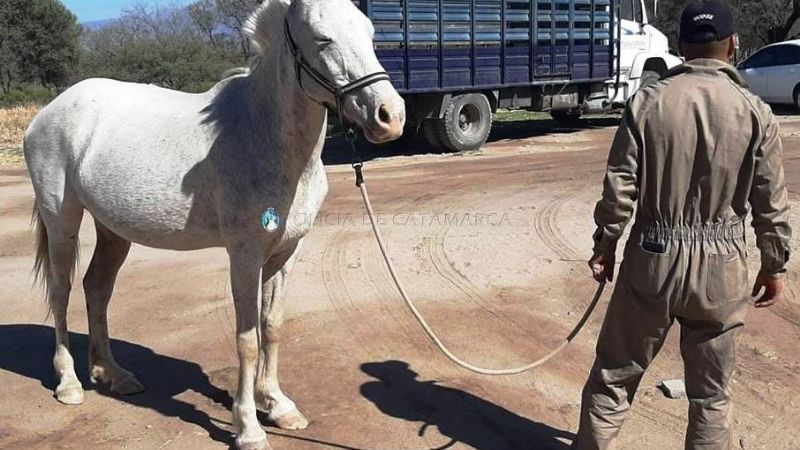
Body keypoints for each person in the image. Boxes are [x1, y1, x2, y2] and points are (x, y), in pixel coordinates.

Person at [573, 1, 792, 449]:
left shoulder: (647, 103)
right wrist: (774, 264)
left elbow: (620, 185)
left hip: (652, 256)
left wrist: (605, 244)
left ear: (680, 46)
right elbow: (770, 200)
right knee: (711, 397)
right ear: (733, 46)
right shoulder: (754, 112)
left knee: (614, 377)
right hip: (722, 267)